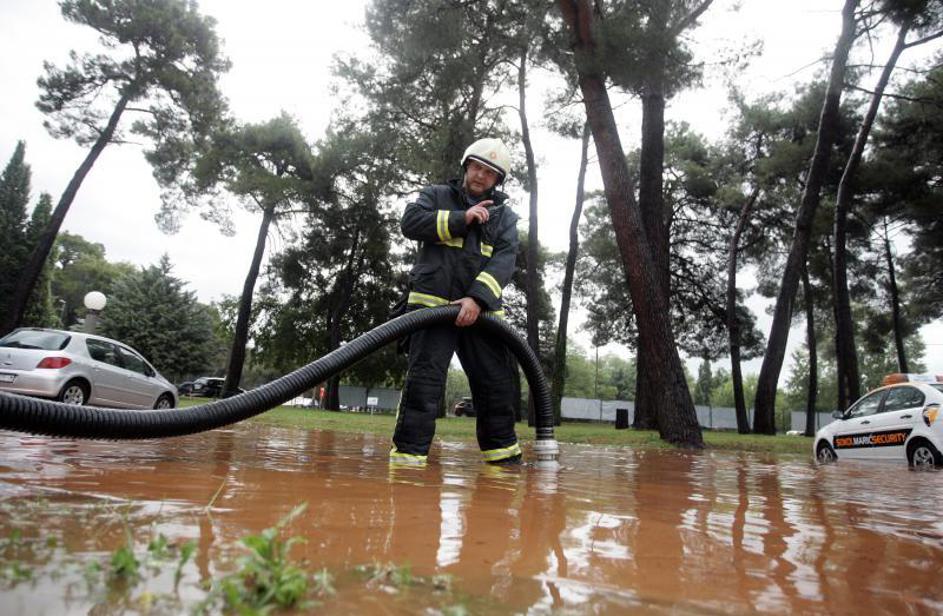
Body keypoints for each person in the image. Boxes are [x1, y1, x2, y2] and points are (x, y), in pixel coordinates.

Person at [391, 137, 521, 466]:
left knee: (495, 388)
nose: (481, 175)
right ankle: (407, 463)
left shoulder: (505, 218)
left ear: (497, 180)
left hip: (481, 314)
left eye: (490, 173)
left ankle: (503, 466)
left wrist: (477, 299)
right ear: (466, 166)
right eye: (477, 167)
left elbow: (504, 262)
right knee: (423, 385)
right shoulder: (436, 196)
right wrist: (462, 219)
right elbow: (410, 223)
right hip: (431, 309)